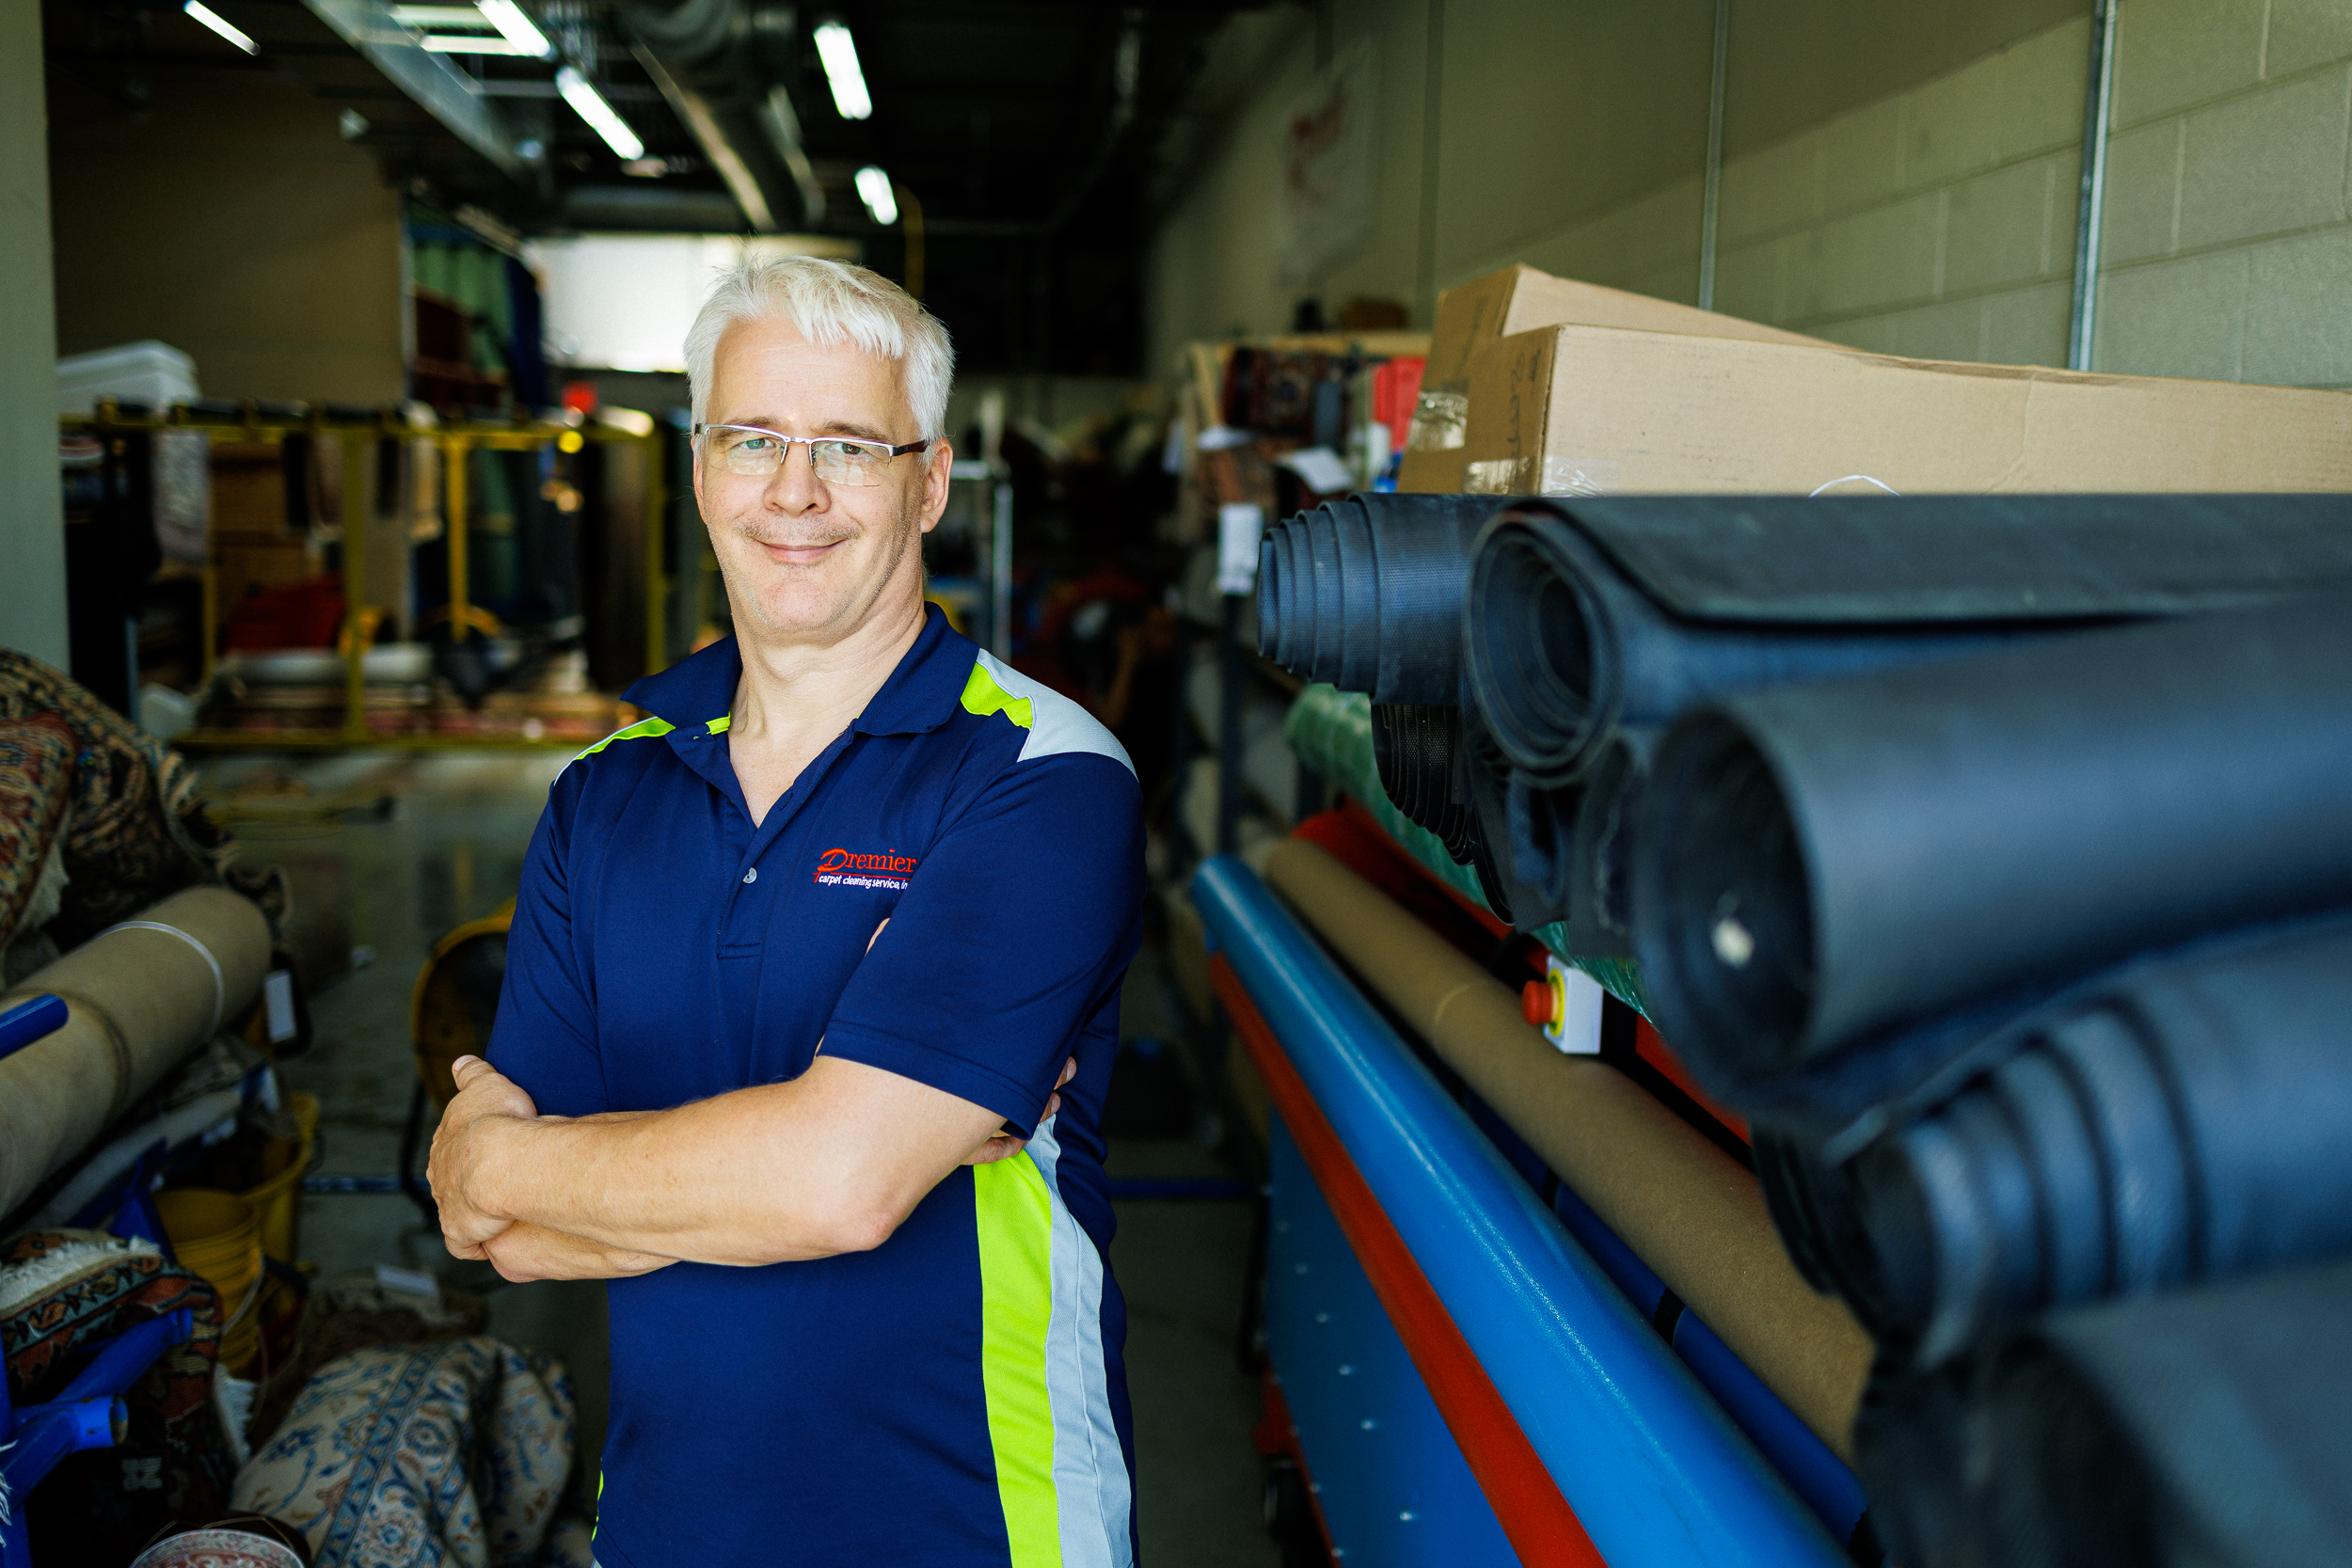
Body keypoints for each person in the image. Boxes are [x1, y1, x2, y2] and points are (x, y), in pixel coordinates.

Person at [425, 257, 1145, 1568]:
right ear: (702, 469)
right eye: (753, 438)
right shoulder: (604, 793)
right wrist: (810, 1143)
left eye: (850, 447)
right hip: (668, 1526)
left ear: (931, 483)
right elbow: (513, 1241)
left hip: (975, 1524)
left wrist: (494, 1157)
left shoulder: (1042, 777)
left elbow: (840, 1188)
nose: (794, 491)